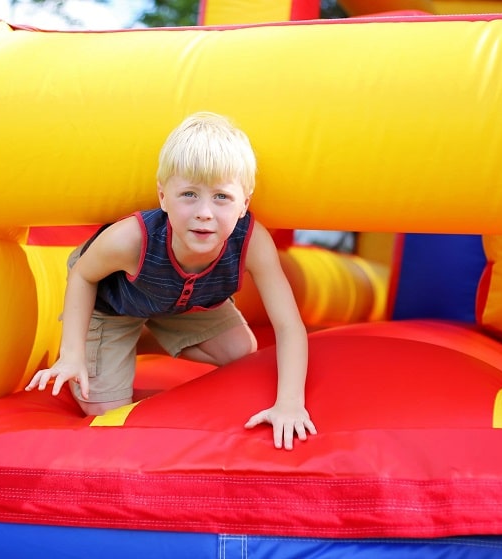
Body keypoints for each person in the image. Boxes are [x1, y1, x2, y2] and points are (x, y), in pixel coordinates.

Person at [26, 112, 316, 450]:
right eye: (189, 194)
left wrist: (290, 403)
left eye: (221, 197)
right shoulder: (131, 240)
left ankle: (145, 335)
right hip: (115, 305)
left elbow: (288, 325)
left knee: (242, 351)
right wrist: (72, 354)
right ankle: (124, 335)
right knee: (104, 408)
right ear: (163, 196)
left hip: (181, 302)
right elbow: (83, 275)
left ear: (244, 205)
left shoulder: (252, 242)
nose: (204, 212)